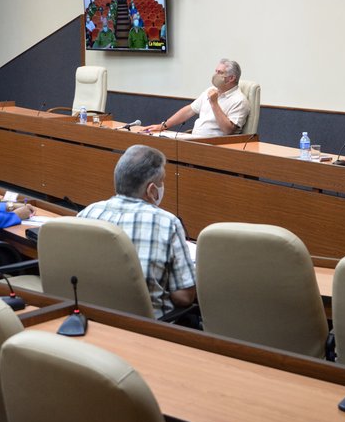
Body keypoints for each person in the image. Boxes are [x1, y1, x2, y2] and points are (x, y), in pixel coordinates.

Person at [77, 145, 195, 318]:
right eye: (162, 182)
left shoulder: (87, 213)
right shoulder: (167, 223)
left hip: (91, 321)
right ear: (151, 190)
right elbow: (184, 297)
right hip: (146, 331)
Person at [143, 58, 250, 137]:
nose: (215, 75)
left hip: (216, 145)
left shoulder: (239, 100)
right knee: (159, 138)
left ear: (231, 78)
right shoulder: (210, 90)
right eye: (216, 71)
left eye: (220, 73)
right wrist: (163, 125)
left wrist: (214, 103)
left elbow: (228, 130)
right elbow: (189, 111)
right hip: (195, 139)